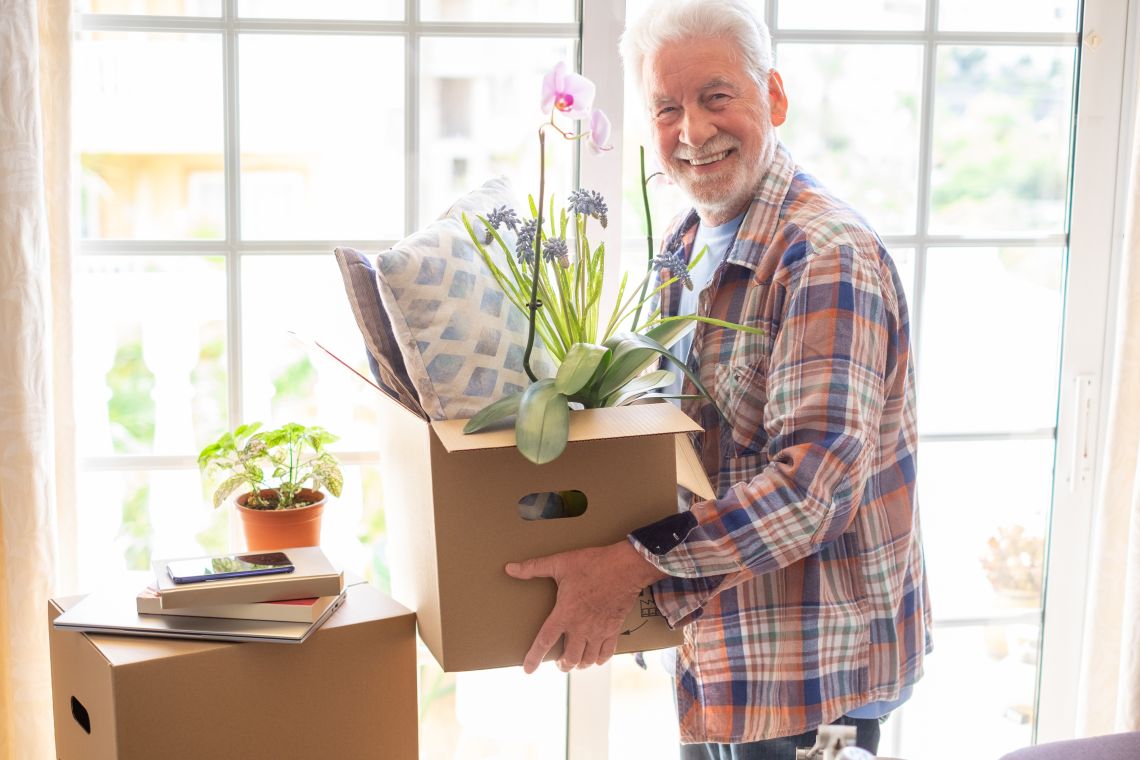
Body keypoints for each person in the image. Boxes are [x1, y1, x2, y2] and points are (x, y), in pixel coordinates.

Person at [504, 0, 933, 756]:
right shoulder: (684, 237)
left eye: (716, 97)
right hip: (721, 649)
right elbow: (681, 434)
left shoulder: (822, 255)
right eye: (666, 107)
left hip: (813, 674)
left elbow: (813, 488)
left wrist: (630, 565)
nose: (692, 131)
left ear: (773, 96)